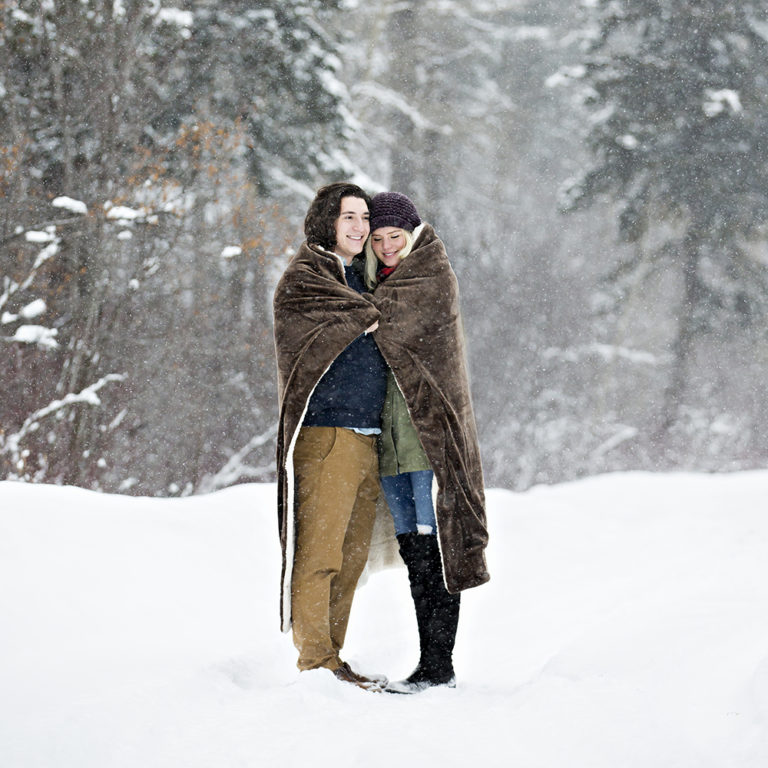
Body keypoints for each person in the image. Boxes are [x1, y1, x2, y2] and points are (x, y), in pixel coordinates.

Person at [364, 191, 490, 694]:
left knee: (434, 545)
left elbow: (388, 323)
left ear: (412, 233)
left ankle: (440, 665)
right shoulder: (378, 283)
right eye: (378, 239)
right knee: (414, 548)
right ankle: (429, 664)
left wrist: (356, 311)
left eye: (395, 236)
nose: (388, 246)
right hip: (390, 440)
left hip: (425, 434)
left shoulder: (431, 275)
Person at [272, 182, 389, 692]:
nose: (360, 227)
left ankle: (332, 659)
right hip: (326, 434)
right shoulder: (307, 277)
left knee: (351, 556)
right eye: (349, 217)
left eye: (365, 217)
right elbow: (327, 325)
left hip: (366, 436)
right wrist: (374, 315)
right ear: (327, 221)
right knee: (319, 554)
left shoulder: (362, 281)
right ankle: (314, 662)